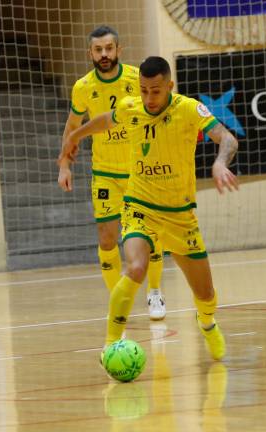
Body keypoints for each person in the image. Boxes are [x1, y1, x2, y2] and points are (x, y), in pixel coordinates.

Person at [59, 56, 239, 361]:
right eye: (143, 90)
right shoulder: (132, 108)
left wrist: (220, 163)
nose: (148, 97)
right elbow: (105, 120)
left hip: (181, 216)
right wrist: (75, 136)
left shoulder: (189, 108)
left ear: (169, 85)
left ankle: (207, 323)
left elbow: (227, 137)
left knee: (205, 295)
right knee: (137, 268)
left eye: (155, 91)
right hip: (139, 207)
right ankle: (111, 344)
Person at [57, 26, 167, 320]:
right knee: (107, 239)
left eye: (108, 48)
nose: (104, 54)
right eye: (98, 50)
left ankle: (154, 292)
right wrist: (65, 165)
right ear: (90, 53)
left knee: (149, 235)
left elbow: (159, 113)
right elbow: (72, 127)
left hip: (139, 172)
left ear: (119, 49)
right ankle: (117, 298)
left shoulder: (137, 78)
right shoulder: (82, 87)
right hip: (104, 173)